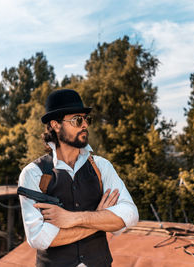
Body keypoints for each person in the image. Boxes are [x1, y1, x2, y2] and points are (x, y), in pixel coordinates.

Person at [18, 89, 139, 267]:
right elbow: (39, 238)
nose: (85, 125)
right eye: (77, 120)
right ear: (56, 125)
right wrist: (100, 218)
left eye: (86, 119)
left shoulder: (101, 167)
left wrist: (73, 218)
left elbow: (130, 215)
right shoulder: (33, 173)